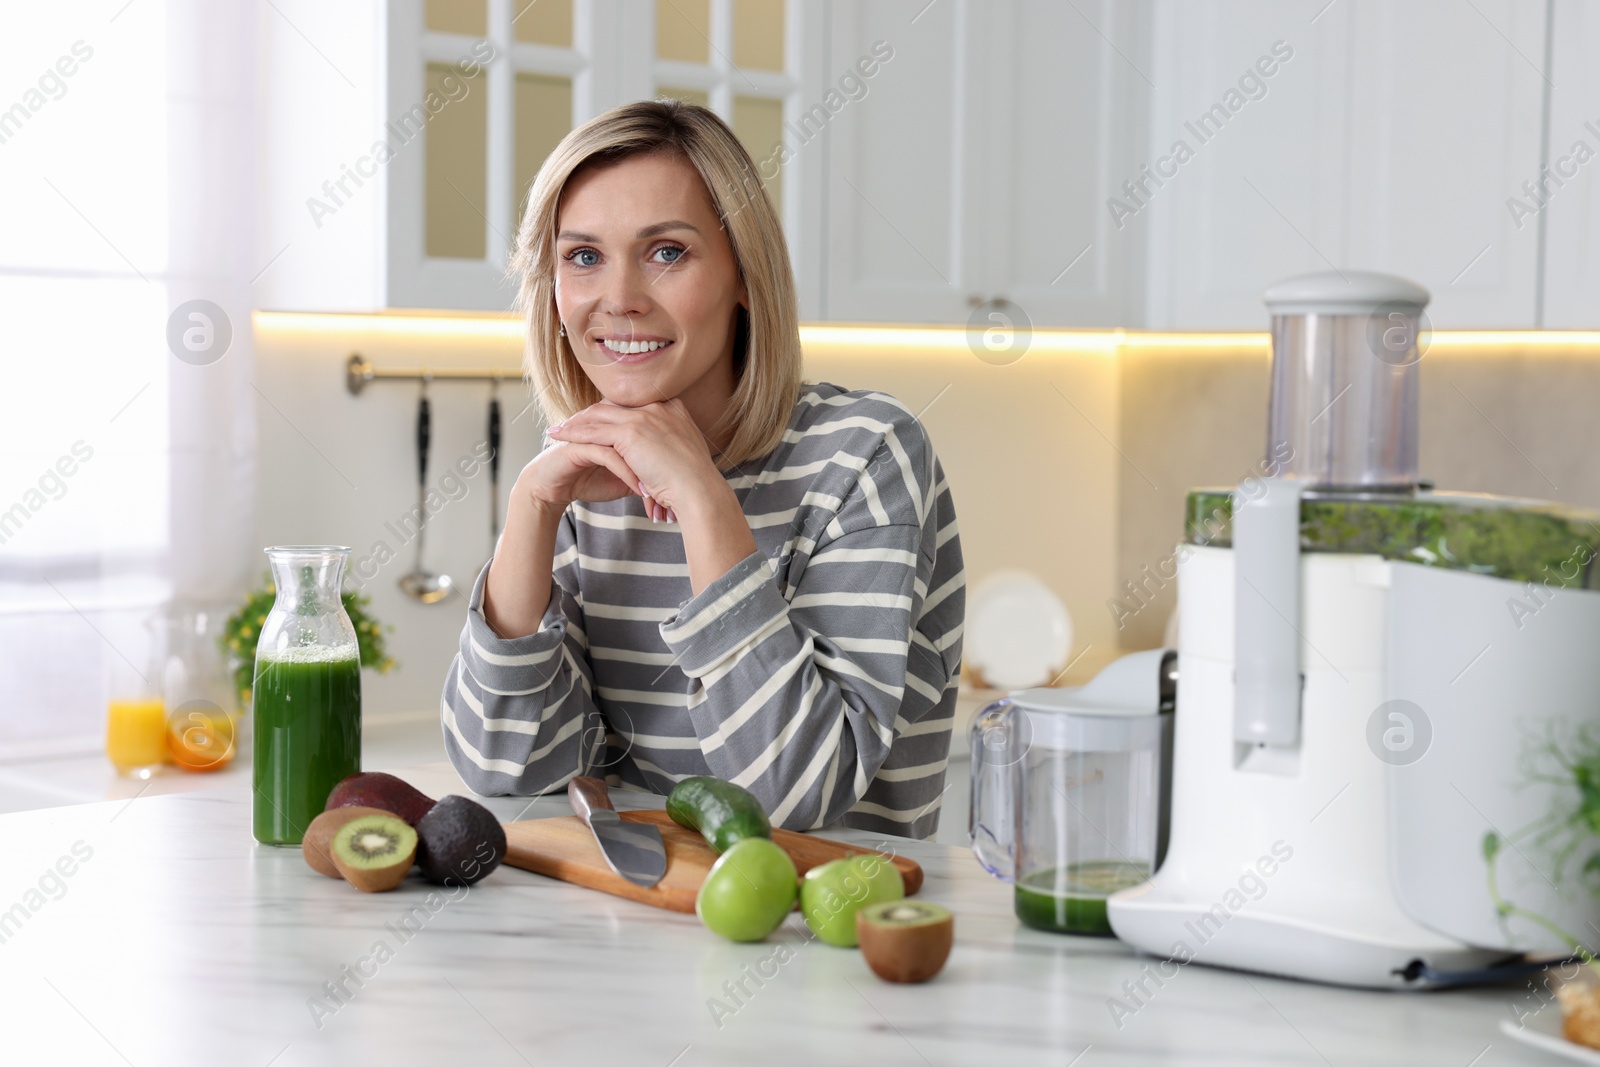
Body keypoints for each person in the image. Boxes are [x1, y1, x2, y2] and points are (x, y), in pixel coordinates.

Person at [439, 99, 965, 839]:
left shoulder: (866, 454)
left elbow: (793, 794)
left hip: (827, 930)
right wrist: (531, 502)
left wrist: (699, 496)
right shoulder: (579, 477)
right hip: (635, 916)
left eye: (667, 252)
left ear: (744, 277)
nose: (618, 299)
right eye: (583, 257)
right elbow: (506, 765)